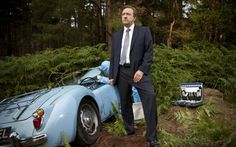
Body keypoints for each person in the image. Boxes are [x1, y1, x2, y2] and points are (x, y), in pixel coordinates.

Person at [109, 5, 158, 147]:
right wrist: (112, 75)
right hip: (121, 72)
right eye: (123, 14)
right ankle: (129, 128)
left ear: (134, 17)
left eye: (128, 14)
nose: (125, 16)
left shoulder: (144, 31)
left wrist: (142, 70)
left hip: (138, 72)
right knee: (125, 102)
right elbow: (113, 57)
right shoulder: (117, 35)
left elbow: (149, 53)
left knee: (149, 98)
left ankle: (152, 137)